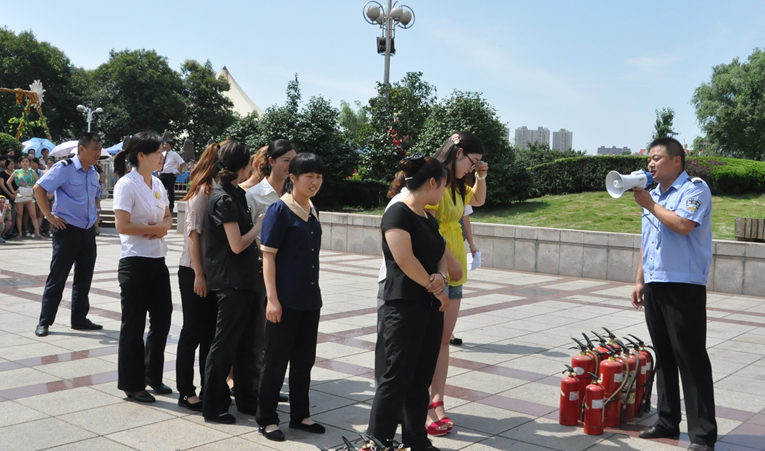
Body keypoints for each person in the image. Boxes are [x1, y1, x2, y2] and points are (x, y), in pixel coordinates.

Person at [631, 137, 717, 451]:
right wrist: (640, 280)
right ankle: (667, 420)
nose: (651, 163)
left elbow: (682, 225)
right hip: (656, 282)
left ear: (677, 160)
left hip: (684, 284)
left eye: (657, 158)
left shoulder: (694, 189)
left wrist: (649, 205)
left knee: (690, 358)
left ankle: (702, 435)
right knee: (664, 355)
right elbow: (647, 241)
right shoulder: (653, 194)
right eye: (649, 159)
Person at [368, 156, 450, 451]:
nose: (444, 193)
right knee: (396, 376)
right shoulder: (397, 214)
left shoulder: (429, 218)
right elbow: (403, 259)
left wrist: (441, 276)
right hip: (403, 306)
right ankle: (378, 440)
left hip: (429, 307)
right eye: (444, 186)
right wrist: (435, 287)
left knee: (420, 377)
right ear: (432, 183)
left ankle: (416, 440)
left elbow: (440, 254)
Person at [256, 152, 325, 442]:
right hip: (284, 300)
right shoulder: (279, 210)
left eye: (319, 177)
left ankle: (300, 415)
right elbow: (268, 257)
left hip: (309, 298)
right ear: (293, 178)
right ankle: (267, 418)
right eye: (309, 176)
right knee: (275, 360)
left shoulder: (312, 208)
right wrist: (272, 300)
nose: (315, 182)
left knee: (304, 360)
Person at [426, 131, 488, 435]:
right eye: (471, 162)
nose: (471, 168)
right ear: (458, 152)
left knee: (443, 338)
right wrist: (448, 259)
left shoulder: (460, 185)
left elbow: (479, 199)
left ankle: (437, 400)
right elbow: (426, 225)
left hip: (455, 267)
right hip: (436, 266)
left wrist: (481, 176)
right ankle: (421, 402)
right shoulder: (434, 179)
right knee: (427, 338)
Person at [201, 140, 262, 424]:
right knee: (224, 345)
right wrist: (259, 226)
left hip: (246, 279)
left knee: (247, 344)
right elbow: (236, 245)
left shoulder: (236, 194)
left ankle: (247, 399)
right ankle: (214, 406)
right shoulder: (223, 198)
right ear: (245, 165)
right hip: (231, 281)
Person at [113, 131, 173, 403]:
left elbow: (168, 217)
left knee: (162, 320)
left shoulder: (157, 183)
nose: (162, 156)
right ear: (141, 155)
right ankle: (132, 384)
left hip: (157, 260)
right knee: (134, 324)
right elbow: (122, 225)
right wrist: (153, 229)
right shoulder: (126, 184)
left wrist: (160, 228)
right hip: (135, 261)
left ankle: (152, 375)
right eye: (158, 152)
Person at [32, 133, 104, 336]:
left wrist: (95, 216)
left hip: (87, 231)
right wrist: (48, 215)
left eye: (100, 149)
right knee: (58, 277)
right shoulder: (64, 168)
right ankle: (45, 321)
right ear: (81, 149)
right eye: (95, 149)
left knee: (84, 277)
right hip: (67, 230)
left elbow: (94, 197)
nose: (98, 153)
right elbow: (39, 188)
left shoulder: (93, 172)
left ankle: (79, 319)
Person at [174, 142, 221, 412]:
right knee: (193, 331)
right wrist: (199, 274)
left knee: (209, 333)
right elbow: (193, 236)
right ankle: (186, 391)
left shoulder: (215, 189)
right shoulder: (202, 191)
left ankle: (207, 387)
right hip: (193, 271)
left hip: (210, 271)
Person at [245, 139, 296, 234]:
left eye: (294, 161)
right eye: (286, 160)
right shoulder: (253, 194)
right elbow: (245, 232)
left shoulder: (295, 195)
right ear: (271, 161)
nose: (291, 166)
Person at [6, 155, 43, 238]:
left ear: (29, 162)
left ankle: (37, 232)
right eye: (23, 161)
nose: (25, 163)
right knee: (19, 214)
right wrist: (13, 191)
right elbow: (8, 182)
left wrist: (35, 193)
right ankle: (20, 233)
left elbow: (38, 183)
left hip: (30, 191)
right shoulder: (16, 172)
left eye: (26, 161)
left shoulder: (32, 171)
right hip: (20, 191)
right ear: (20, 163)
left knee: (33, 214)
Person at [159, 137, 185, 212]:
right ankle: (161, 206)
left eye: (167, 145)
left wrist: (178, 171)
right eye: (164, 145)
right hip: (163, 173)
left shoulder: (174, 154)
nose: (165, 146)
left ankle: (171, 207)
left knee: (170, 191)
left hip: (170, 174)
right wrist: (159, 170)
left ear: (171, 146)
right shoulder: (162, 154)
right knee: (161, 190)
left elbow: (181, 162)